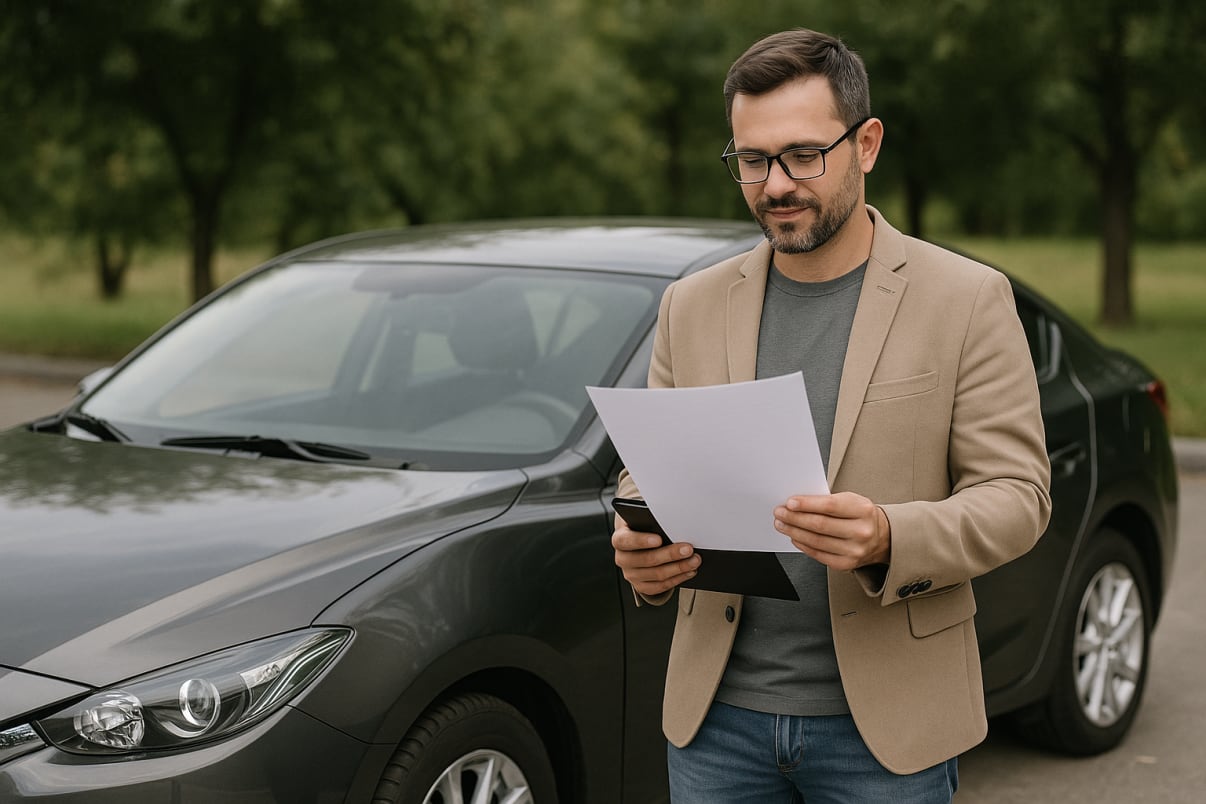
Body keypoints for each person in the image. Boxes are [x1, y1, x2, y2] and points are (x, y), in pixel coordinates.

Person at [611, 28, 1052, 803]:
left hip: (887, 731)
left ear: (867, 143)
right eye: (752, 160)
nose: (776, 183)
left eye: (803, 155)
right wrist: (642, 547)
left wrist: (890, 535)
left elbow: (1019, 498)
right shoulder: (691, 305)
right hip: (716, 725)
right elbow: (651, 468)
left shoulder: (967, 299)